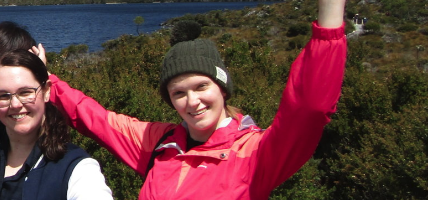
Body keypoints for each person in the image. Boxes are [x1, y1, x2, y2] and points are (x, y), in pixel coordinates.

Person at [46, 0, 347, 199]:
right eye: (178, 92)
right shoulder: (159, 143)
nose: (192, 101)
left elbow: (310, 108)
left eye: (202, 86)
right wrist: (47, 79)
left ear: (223, 88)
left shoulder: (254, 153)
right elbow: (94, 118)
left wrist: (329, 28)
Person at [0, 0, 112, 199]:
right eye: (4, 94)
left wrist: (35, 75)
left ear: (47, 88)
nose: (15, 104)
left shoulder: (76, 170)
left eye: (25, 91)